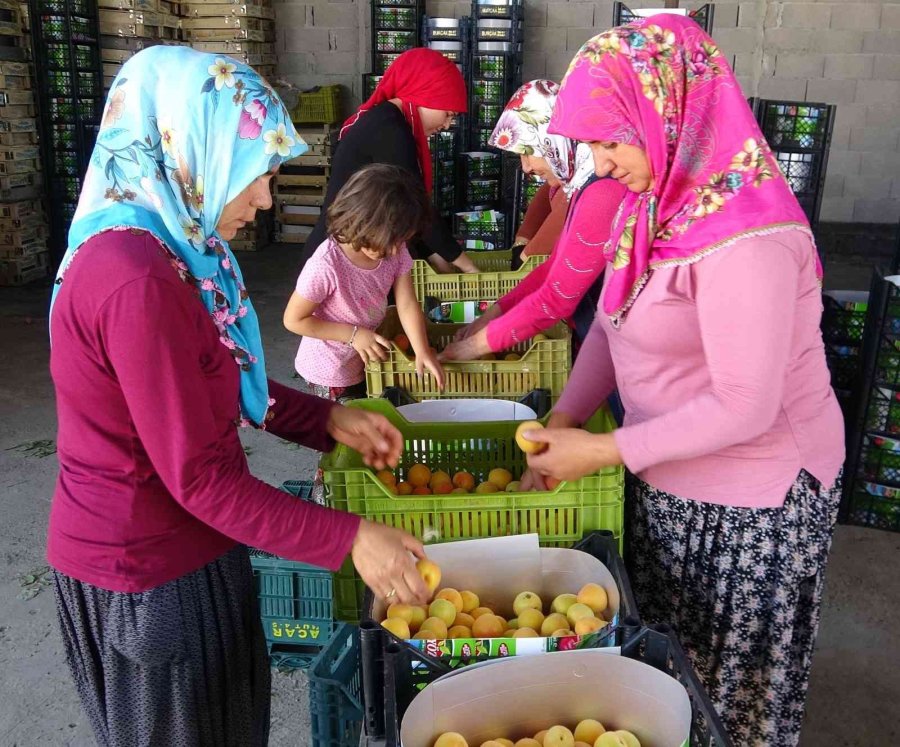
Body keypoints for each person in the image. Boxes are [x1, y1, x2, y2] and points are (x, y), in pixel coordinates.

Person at [47, 47, 429, 747]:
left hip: (191, 548)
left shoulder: (172, 250)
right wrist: (350, 539)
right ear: (190, 149)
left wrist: (327, 419)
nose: (264, 200)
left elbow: (210, 380)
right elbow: (198, 476)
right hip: (146, 570)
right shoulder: (135, 278)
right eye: (255, 174)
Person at [519, 17, 844, 746]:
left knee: (725, 700)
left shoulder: (749, 235)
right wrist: (567, 418)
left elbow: (745, 405)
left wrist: (603, 451)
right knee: (666, 684)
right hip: (667, 474)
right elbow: (612, 326)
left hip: (752, 506)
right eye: (590, 146)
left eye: (611, 140)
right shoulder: (652, 207)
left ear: (667, 110)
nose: (600, 163)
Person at [440, 80, 627, 361]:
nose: (526, 168)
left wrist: (473, 347)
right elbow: (552, 268)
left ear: (553, 139)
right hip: (602, 342)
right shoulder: (580, 185)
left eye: (528, 153)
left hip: (619, 350)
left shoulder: (603, 191)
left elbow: (558, 295)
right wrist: (492, 315)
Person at [300, 48, 478, 275]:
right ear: (425, 96)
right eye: (448, 114)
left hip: (358, 254)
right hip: (336, 265)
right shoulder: (390, 131)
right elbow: (416, 209)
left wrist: (439, 258)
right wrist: (467, 265)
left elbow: (408, 213)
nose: (446, 125)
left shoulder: (388, 120)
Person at [284, 163, 445, 403]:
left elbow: (406, 303)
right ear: (360, 223)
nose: (394, 251)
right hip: (330, 370)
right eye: (388, 242)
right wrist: (354, 335)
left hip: (365, 360)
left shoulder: (394, 247)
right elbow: (293, 320)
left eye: (401, 241)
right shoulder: (327, 264)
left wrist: (421, 349)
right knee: (343, 422)